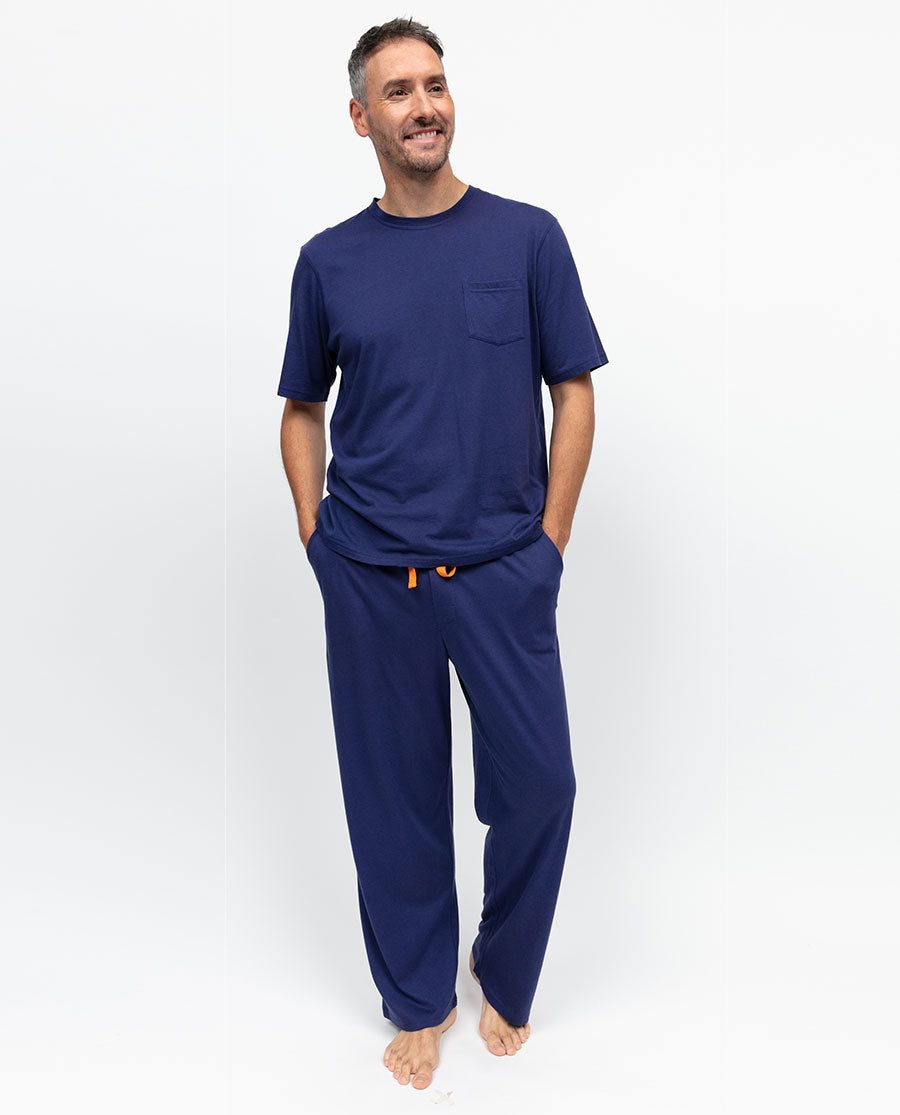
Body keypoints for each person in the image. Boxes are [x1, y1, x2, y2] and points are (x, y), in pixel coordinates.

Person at [277, 17, 609, 1092]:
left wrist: (548, 545)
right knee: (395, 801)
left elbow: (573, 393)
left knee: (542, 785)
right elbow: (300, 409)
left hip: (503, 568)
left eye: (435, 84)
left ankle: (502, 965)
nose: (424, 106)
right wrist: (316, 536)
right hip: (372, 575)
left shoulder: (527, 238)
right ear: (360, 117)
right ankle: (421, 1000)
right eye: (398, 90)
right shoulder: (329, 261)